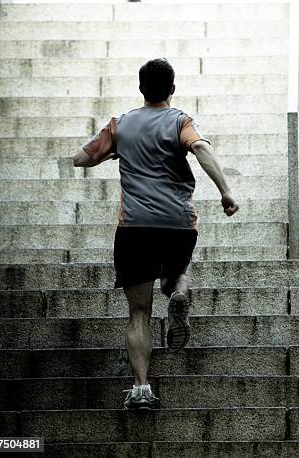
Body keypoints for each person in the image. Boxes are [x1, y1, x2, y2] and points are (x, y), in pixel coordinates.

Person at [73, 58, 239, 410]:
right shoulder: (180, 121)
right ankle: (177, 292)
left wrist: (114, 148)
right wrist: (225, 191)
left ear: (140, 89)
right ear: (172, 89)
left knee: (138, 312)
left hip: (134, 228)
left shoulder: (122, 125)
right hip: (177, 223)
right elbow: (201, 148)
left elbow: (81, 159)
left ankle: (141, 389)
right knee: (175, 274)